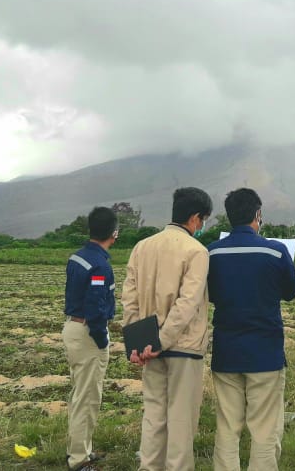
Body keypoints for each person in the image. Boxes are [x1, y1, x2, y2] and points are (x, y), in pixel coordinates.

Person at [121, 187, 213, 471]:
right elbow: (188, 303)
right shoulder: (196, 251)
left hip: (148, 347)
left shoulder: (142, 247)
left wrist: (137, 343)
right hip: (182, 348)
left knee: (154, 415)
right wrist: (162, 340)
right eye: (203, 219)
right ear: (196, 218)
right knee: (182, 420)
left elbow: (130, 298)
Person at [207, 188, 295, 470]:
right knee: (264, 428)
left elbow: (208, 294)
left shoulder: (212, 252)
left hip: (227, 351)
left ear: (229, 216)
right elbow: (290, 291)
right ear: (258, 215)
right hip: (265, 353)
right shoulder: (276, 251)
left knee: (227, 425)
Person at [63, 207, 119, 470]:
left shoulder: (78, 257)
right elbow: (96, 306)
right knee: (88, 398)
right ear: (114, 233)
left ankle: (79, 450)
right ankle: (79, 460)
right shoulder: (100, 266)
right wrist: (101, 339)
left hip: (73, 328)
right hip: (87, 334)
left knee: (80, 394)